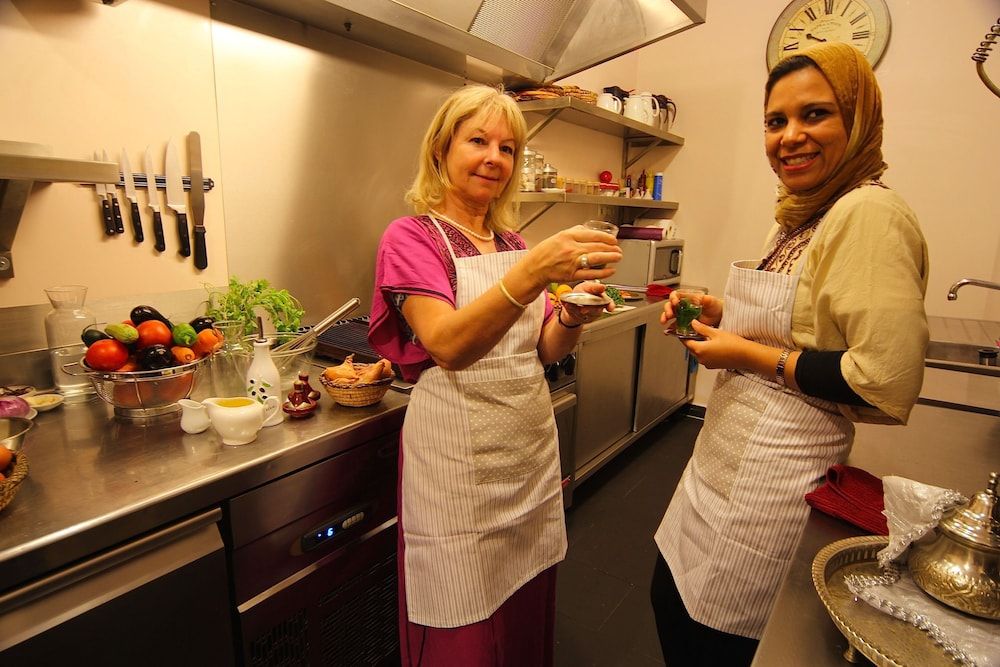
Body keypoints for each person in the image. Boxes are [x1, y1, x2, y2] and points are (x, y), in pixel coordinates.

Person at [650, 42, 928, 666]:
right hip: (719, 466)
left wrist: (747, 355)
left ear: (858, 118)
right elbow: (804, 325)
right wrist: (720, 313)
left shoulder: (869, 212)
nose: (790, 137)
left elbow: (881, 377)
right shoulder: (803, 215)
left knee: (714, 642)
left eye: (815, 114)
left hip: (773, 484)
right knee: (671, 601)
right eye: (776, 121)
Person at [368, 84, 621, 666]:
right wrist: (534, 272)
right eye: (478, 141)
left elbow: (543, 348)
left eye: (507, 148)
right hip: (456, 460)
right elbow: (448, 345)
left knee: (520, 598)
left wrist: (572, 315)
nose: (494, 158)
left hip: (524, 452)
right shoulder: (411, 237)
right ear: (441, 149)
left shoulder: (512, 242)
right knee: (461, 613)